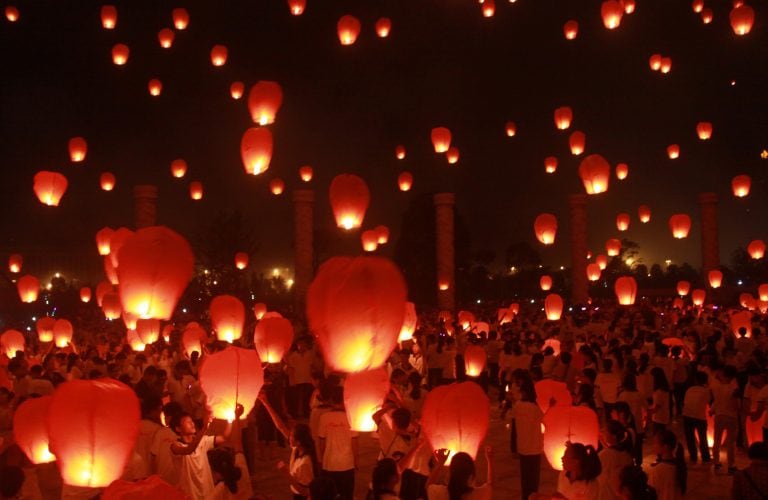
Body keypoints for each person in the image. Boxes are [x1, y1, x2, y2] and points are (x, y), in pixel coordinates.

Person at [258, 392, 319, 500]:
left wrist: (286, 474)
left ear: (298, 441)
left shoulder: (305, 463)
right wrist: (265, 402)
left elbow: (304, 491)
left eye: (291, 436)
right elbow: (280, 426)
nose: (289, 437)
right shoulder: (297, 449)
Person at [170, 408, 236, 500]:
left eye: (191, 421)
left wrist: (230, 419)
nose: (192, 424)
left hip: (207, 492)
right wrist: (204, 428)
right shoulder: (175, 445)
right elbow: (188, 450)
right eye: (187, 422)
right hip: (189, 495)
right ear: (178, 428)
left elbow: (224, 437)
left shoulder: (203, 440)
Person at [318, 386, 359, 500]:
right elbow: (354, 442)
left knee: (329, 495)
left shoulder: (324, 417)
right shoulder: (351, 418)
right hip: (346, 463)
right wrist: (356, 460)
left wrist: (321, 460)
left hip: (329, 463)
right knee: (347, 495)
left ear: (331, 399)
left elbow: (322, 442)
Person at [510, 373, 543, 500]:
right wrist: (551, 406)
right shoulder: (534, 408)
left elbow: (513, 415)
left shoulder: (518, 406)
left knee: (525, 477)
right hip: (534, 448)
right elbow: (544, 419)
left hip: (523, 447)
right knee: (533, 478)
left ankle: (525, 497)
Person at [426, 447, 493, 500]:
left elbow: (428, 486)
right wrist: (489, 460)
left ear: (450, 473)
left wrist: (440, 463)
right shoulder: (478, 495)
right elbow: (490, 484)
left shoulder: (440, 493)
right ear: (471, 475)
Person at [711, 365, 738, 473]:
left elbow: (715, 401)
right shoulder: (734, 388)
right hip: (731, 416)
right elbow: (736, 405)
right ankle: (731, 466)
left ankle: (716, 463)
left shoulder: (716, 387)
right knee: (731, 443)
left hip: (719, 416)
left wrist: (713, 410)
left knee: (717, 440)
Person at [599, 420, 634, 499]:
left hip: (608, 495)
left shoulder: (605, 455)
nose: (603, 433)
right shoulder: (627, 454)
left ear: (614, 436)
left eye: (605, 431)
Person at [681, 371, 711, 463]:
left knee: (689, 437)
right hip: (700, 417)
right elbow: (709, 402)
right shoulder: (706, 391)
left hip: (687, 415)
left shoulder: (689, 390)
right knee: (702, 437)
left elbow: (685, 402)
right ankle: (705, 457)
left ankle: (693, 456)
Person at [648, 430, 686, 500]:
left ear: (665, 447)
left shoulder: (657, 470)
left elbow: (651, 494)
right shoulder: (680, 465)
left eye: (655, 443)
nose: (653, 446)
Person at [647, 368, 670, 436]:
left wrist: (647, 415)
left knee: (658, 437)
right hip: (663, 416)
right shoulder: (663, 389)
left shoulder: (659, 392)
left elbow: (656, 407)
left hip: (659, 418)